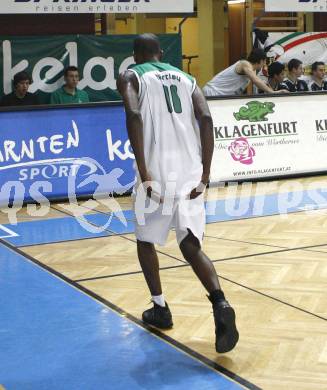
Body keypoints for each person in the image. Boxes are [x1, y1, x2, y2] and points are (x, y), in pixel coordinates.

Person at [117, 33, 239, 354]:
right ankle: (220, 301)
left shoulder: (131, 75)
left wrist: (144, 172)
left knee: (146, 241)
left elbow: (133, 115)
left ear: (136, 54)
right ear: (161, 53)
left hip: (156, 171)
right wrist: (206, 172)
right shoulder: (187, 78)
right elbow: (207, 118)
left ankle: (160, 307)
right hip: (189, 172)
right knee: (190, 244)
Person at [203, 48, 285, 96]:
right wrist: (272, 92)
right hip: (212, 92)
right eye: (264, 61)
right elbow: (256, 80)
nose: (264, 64)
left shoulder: (252, 70)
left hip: (222, 96)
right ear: (261, 60)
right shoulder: (244, 64)